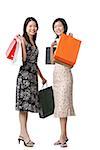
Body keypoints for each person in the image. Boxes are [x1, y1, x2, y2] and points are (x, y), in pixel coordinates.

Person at [16, 17, 47, 147]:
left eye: (34, 26)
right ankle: (24, 134)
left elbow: (35, 63)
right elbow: (24, 60)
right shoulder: (23, 40)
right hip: (24, 78)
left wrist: (42, 77)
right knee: (23, 107)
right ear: (25, 28)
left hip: (33, 77)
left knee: (27, 108)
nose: (33, 28)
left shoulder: (34, 42)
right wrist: (22, 43)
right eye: (30, 26)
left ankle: (22, 133)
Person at [50, 18, 75, 148]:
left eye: (60, 26)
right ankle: (63, 135)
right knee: (60, 106)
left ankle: (63, 137)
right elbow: (51, 61)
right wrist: (51, 47)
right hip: (56, 75)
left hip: (65, 75)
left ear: (64, 27)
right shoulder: (55, 42)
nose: (58, 28)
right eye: (55, 27)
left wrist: (69, 43)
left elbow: (71, 63)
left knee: (64, 105)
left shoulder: (69, 40)